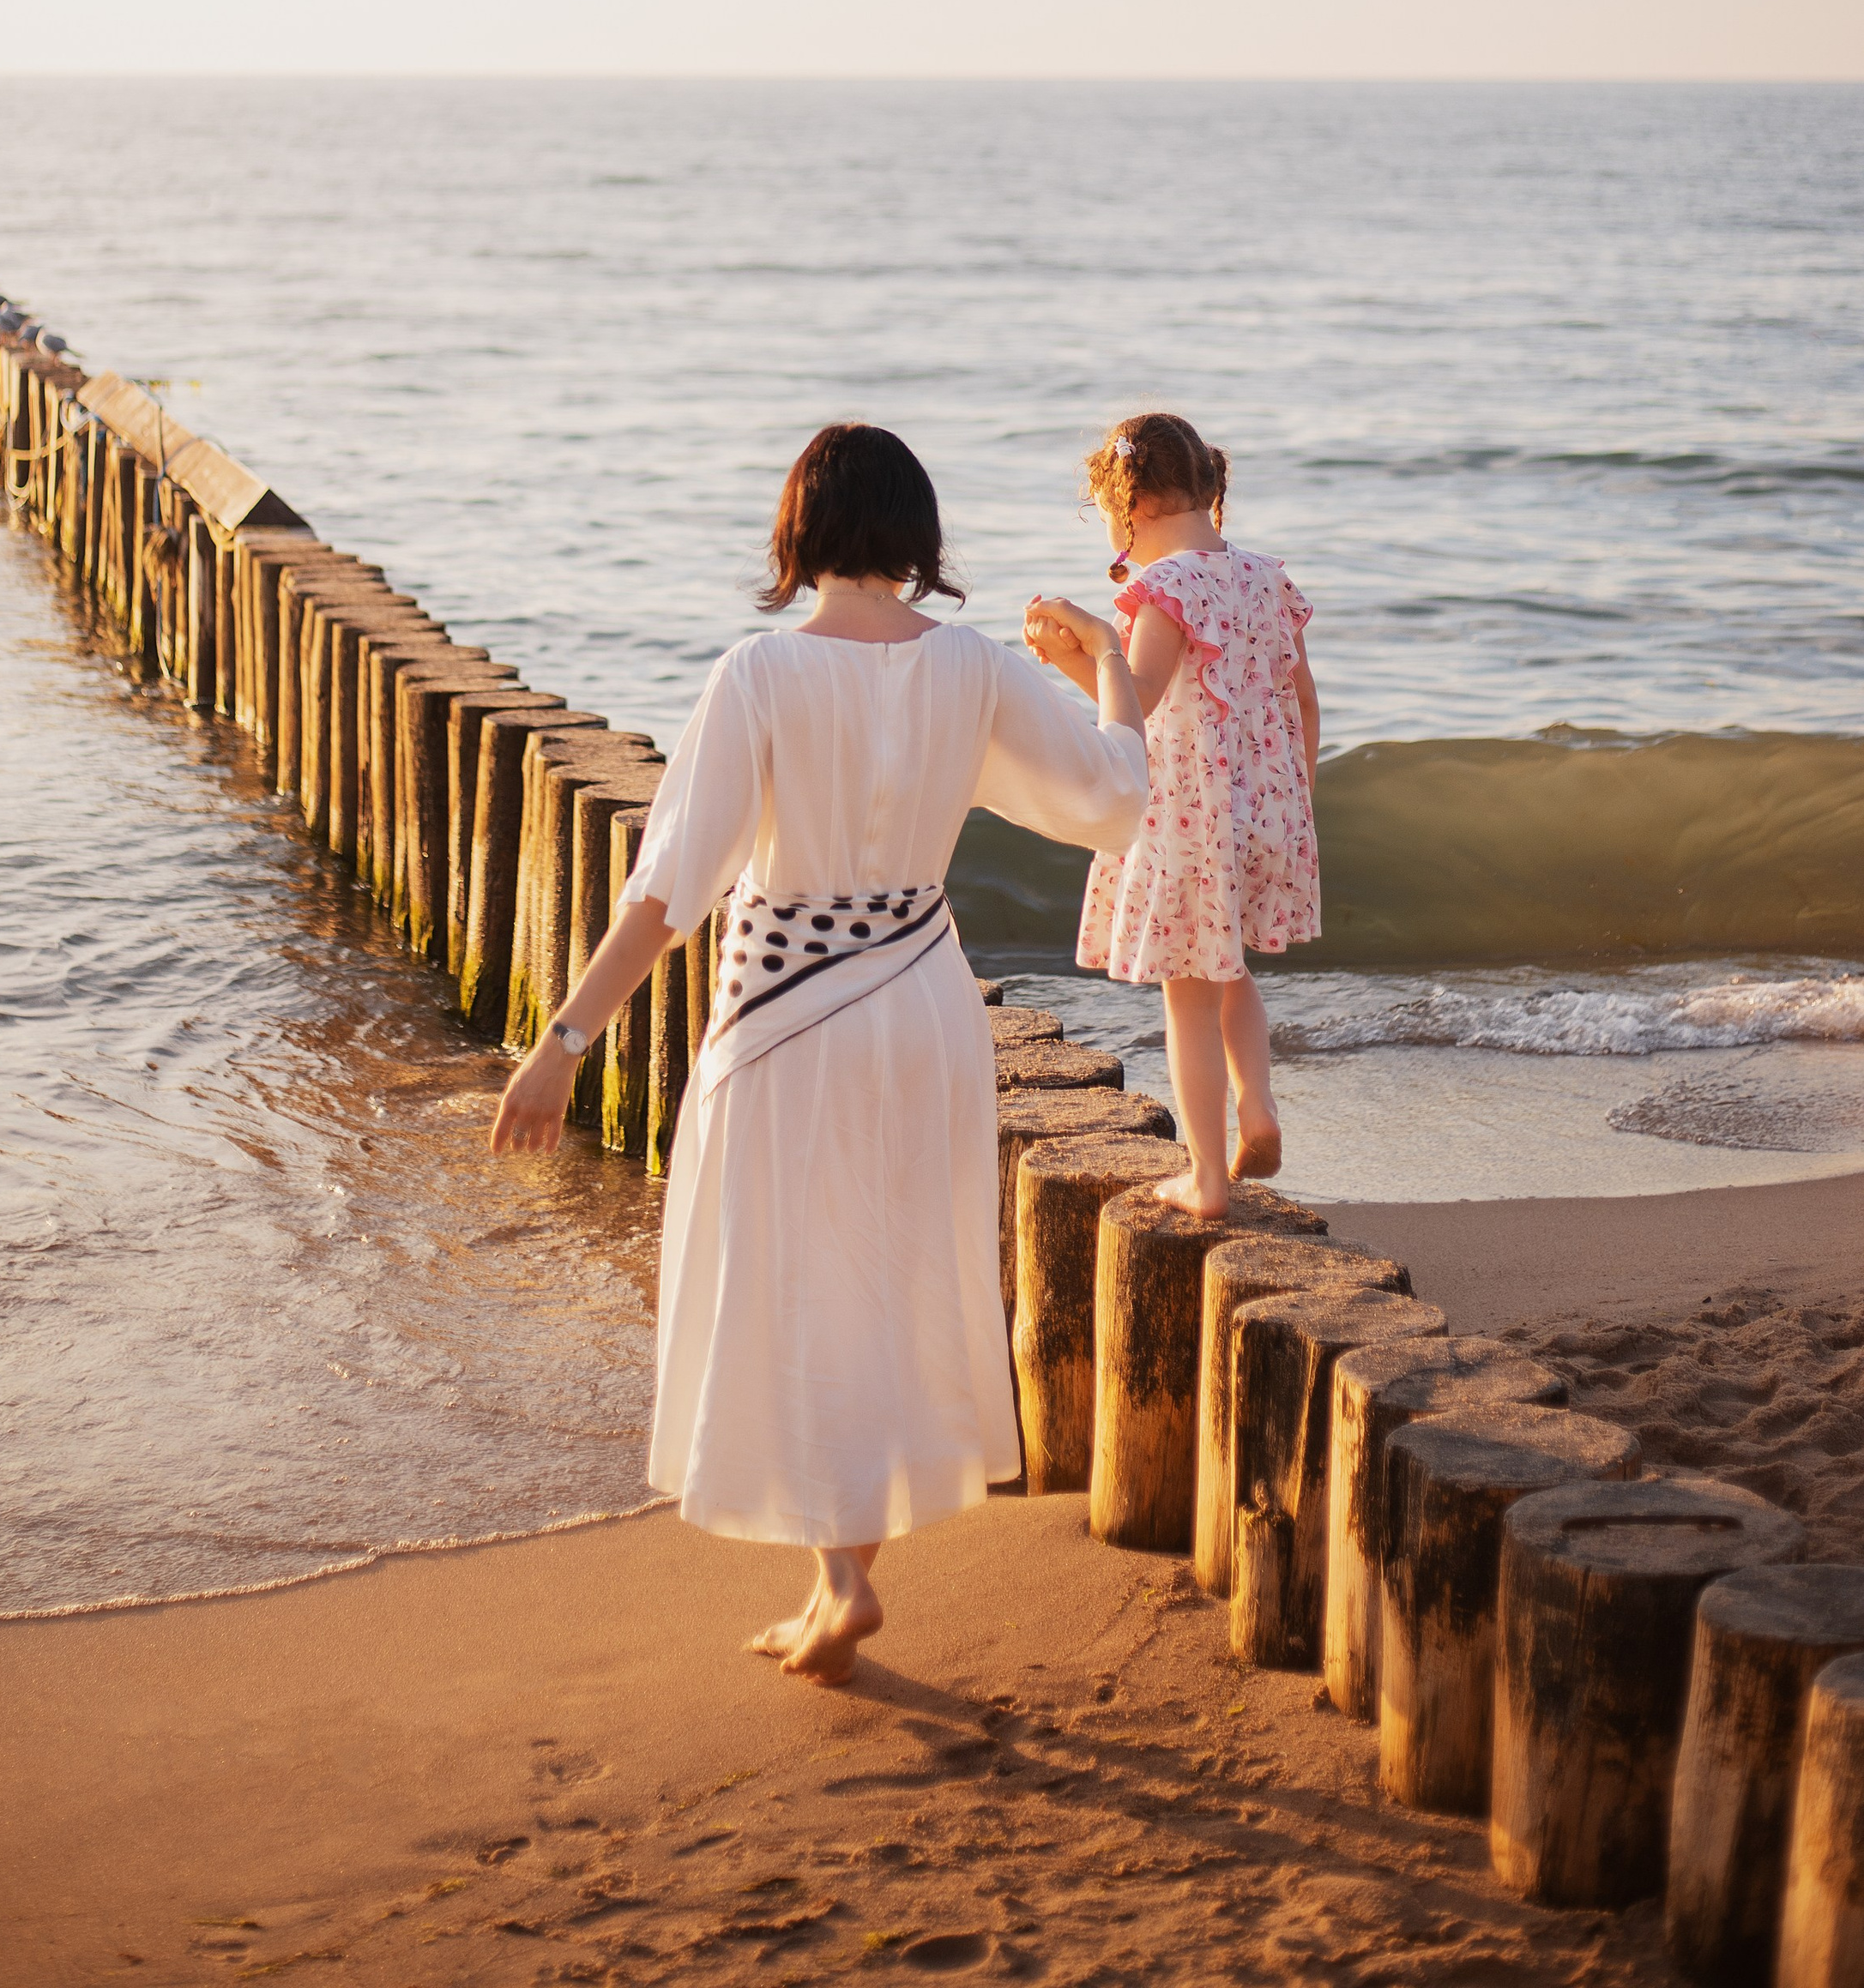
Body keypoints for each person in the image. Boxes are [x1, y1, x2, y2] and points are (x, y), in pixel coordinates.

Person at [490, 421, 1148, 1686]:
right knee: (888, 1277)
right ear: (915, 536)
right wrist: (1110, 659)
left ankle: (839, 1579)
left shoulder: (757, 676)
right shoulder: (968, 668)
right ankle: (841, 1576)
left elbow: (670, 891)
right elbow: (1114, 797)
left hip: (785, 1016)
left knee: (791, 1283)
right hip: (922, 1004)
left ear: (800, 532)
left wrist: (567, 1039)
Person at [1023, 411, 1319, 1218]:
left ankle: (1207, 1180)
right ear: (1207, 488)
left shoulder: (1165, 590)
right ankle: (1256, 1107)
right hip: (1265, 810)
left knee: (1186, 992)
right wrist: (1300, 797)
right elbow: (1300, 697)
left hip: (1190, 819)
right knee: (1232, 972)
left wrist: (1085, 646)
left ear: (1127, 509)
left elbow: (1138, 708)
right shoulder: (1265, 578)